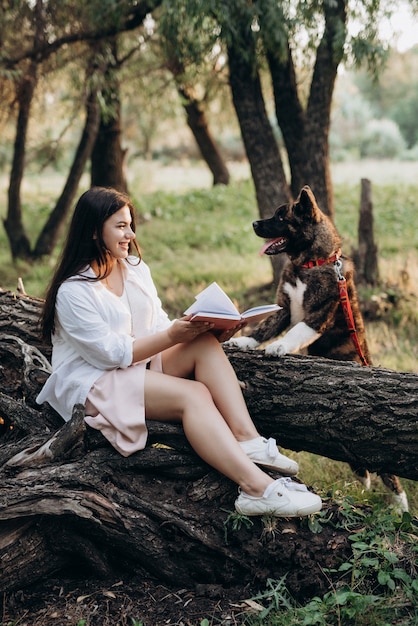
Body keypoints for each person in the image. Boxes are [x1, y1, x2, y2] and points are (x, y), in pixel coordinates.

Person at [37, 186, 322, 518]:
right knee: (194, 395)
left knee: (203, 343)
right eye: (120, 226)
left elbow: (157, 323)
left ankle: (248, 440)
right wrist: (174, 334)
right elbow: (109, 355)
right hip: (95, 383)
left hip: (136, 366)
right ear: (92, 230)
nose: (130, 234)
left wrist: (209, 327)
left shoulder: (132, 268)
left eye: (130, 224)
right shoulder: (73, 291)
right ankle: (256, 489)